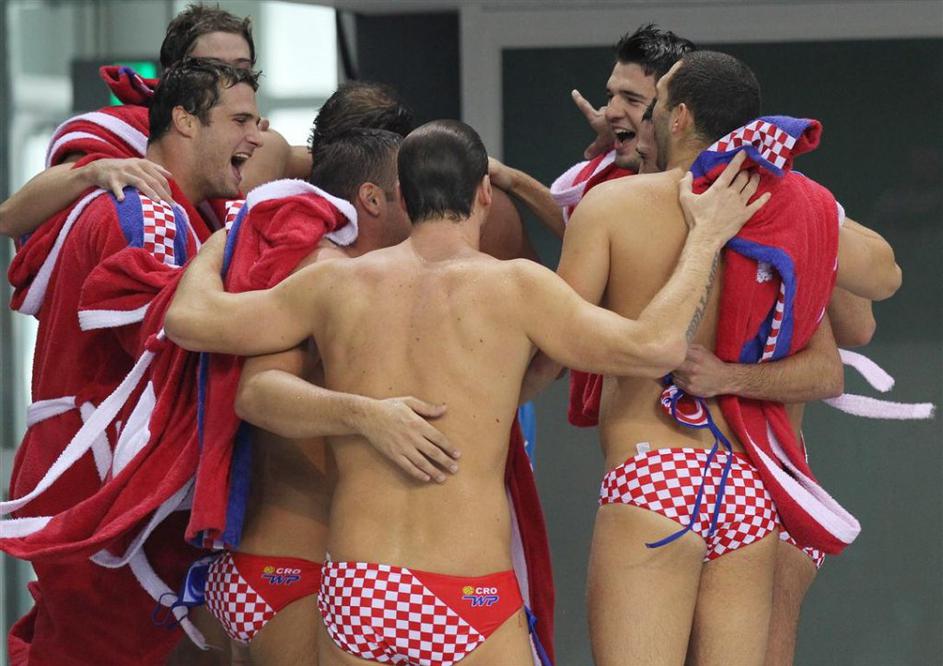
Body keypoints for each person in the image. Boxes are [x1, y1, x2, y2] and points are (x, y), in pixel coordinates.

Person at [164, 118, 767, 663]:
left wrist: (219, 244)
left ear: (402, 197)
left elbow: (190, 322)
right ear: (483, 193)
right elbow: (656, 346)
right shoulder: (518, 288)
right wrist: (705, 237)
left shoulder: (335, 285)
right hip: (467, 595)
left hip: (359, 590)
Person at [2, 58, 261, 665]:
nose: (257, 136)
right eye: (241, 120)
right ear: (184, 121)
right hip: (106, 482)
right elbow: (164, 334)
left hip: (93, 472)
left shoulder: (160, 208)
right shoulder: (145, 209)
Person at [197, 128, 460, 666]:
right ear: (373, 200)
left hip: (260, 565)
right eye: (409, 192)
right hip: (297, 570)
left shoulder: (327, 274)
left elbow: (193, 320)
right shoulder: (328, 274)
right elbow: (256, 393)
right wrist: (366, 416)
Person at [0, 3, 303, 240]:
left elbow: (330, 160)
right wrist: (94, 171)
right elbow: (8, 218)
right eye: (210, 67)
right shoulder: (122, 132)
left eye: (241, 69)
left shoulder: (264, 143)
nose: (230, 79)